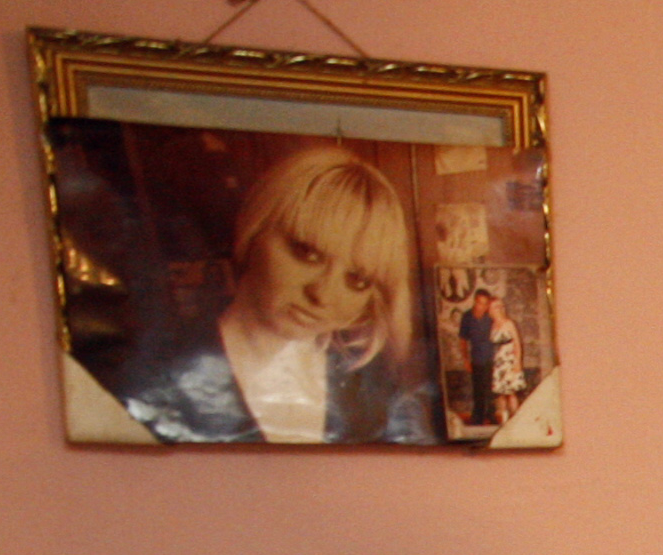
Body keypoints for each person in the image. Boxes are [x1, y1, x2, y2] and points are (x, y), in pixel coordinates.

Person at [102, 142, 435, 446]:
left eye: (357, 280)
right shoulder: (152, 382)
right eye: (307, 253)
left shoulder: (374, 391)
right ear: (255, 230)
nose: (323, 294)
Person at [460, 286, 502, 428]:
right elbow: (463, 340)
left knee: (490, 389)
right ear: (475, 302)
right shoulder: (467, 317)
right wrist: (466, 359)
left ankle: (491, 415)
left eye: (485, 304)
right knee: (477, 389)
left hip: (491, 358)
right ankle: (477, 416)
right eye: (480, 303)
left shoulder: (490, 317)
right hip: (476, 359)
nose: (482, 307)